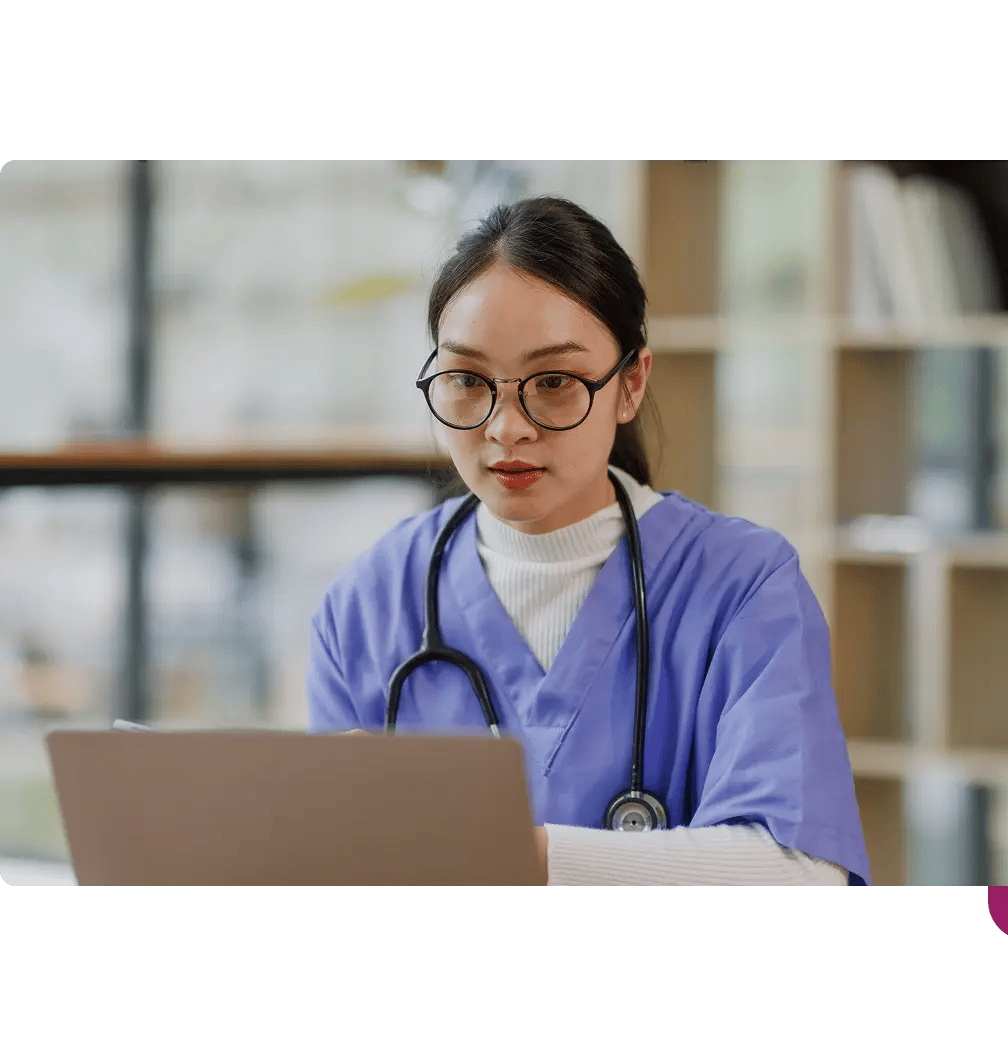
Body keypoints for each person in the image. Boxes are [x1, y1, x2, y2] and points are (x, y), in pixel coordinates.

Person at [307, 196, 870, 886]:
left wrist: (509, 852)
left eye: (553, 383)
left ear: (630, 385)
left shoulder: (742, 585)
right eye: (465, 380)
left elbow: (801, 874)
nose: (506, 427)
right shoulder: (368, 601)